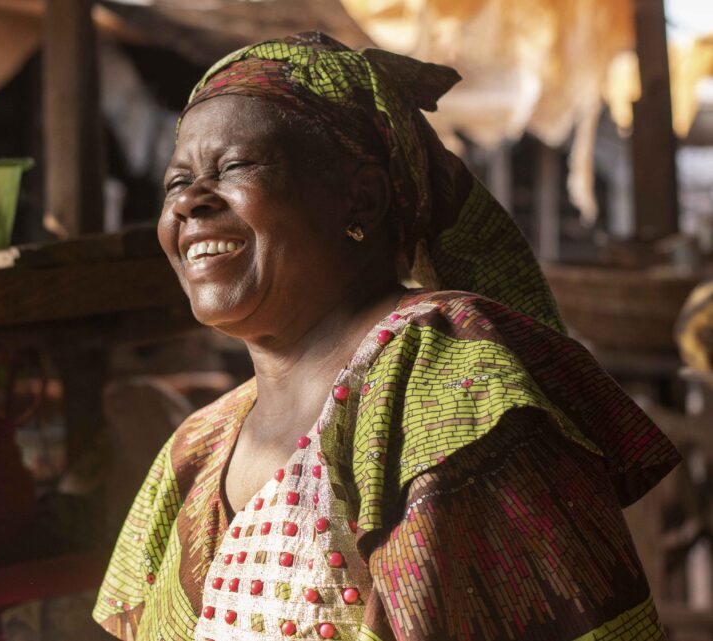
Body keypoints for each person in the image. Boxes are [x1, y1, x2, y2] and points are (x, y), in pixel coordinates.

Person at [93, 32, 680, 641]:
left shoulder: (451, 378)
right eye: (175, 182)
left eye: (235, 166)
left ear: (363, 199)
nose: (188, 202)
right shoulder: (198, 446)